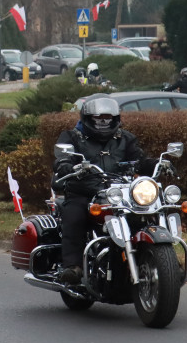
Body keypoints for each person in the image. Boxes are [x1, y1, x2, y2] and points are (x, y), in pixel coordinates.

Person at [52, 96, 152, 284]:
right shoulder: (72, 136)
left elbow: (139, 160)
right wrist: (65, 164)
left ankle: (163, 260)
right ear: (88, 118)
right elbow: (60, 158)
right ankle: (73, 266)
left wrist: (157, 163)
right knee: (74, 216)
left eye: (108, 118)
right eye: (99, 118)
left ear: (115, 119)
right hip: (84, 191)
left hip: (119, 193)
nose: (104, 122)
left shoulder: (125, 138)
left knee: (147, 211)